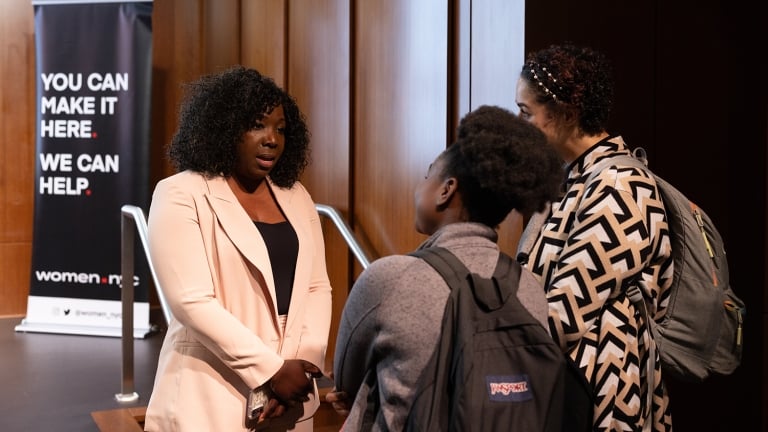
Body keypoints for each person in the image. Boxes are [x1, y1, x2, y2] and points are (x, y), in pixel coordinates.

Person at [327, 105, 563, 430]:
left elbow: (344, 382)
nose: (418, 186)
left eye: (427, 175)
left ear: (446, 190)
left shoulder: (390, 279)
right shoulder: (528, 287)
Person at [143, 65, 332, 432]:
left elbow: (316, 286)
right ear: (225, 127)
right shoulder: (181, 192)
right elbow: (191, 301)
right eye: (258, 125)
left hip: (291, 392)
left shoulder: (297, 197)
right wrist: (270, 370)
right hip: (208, 392)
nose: (272, 139)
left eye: (280, 128)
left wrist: (301, 366)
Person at [515, 43, 674, 431]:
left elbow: (565, 312)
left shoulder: (621, 185)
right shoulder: (577, 177)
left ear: (565, 114)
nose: (519, 125)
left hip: (602, 392)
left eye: (525, 112)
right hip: (571, 381)